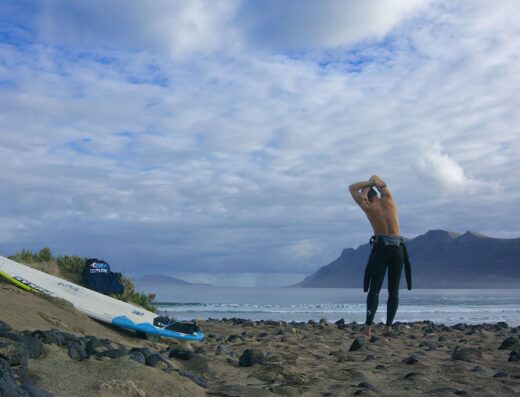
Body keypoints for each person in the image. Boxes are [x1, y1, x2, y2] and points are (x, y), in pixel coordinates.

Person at [348, 175, 411, 337]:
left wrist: (365, 188)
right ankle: (388, 328)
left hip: (382, 248)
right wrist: (372, 183)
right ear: (377, 193)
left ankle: (368, 328)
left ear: (366, 197)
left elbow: (351, 187)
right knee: (394, 291)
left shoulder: (367, 207)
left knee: (374, 290)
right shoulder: (388, 199)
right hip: (398, 249)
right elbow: (376, 177)